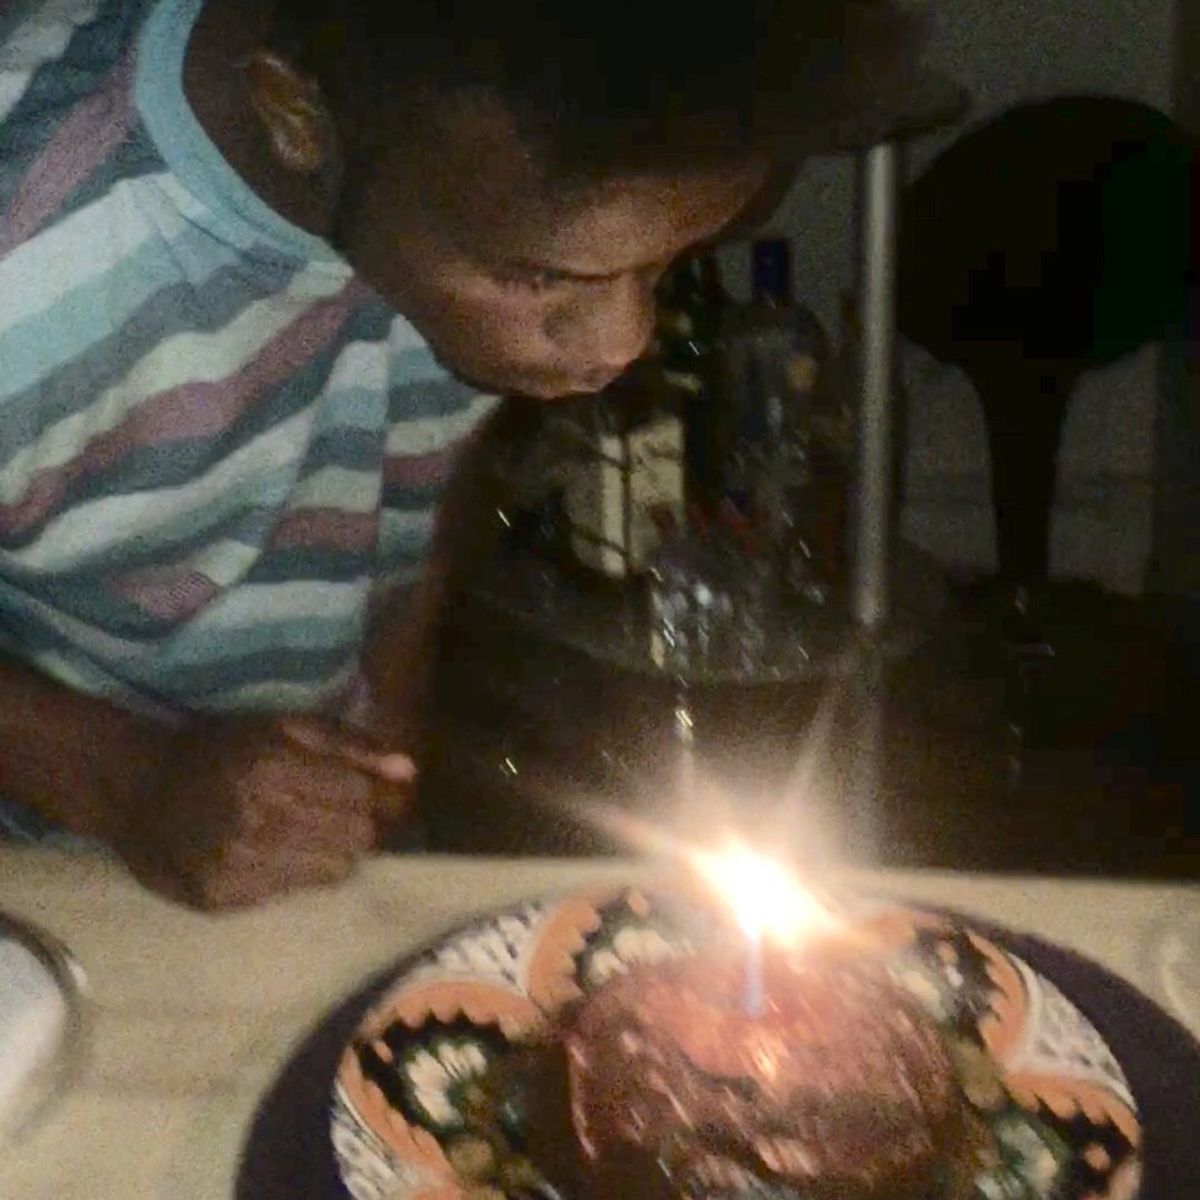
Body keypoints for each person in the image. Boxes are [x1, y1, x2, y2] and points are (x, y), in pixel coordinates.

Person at [0, 0, 940, 908]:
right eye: (540, 278)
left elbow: (418, 470)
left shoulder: (454, 164)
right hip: (54, 889)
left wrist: (392, 705)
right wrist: (125, 782)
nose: (618, 345)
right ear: (295, 116)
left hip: (287, 851)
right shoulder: (26, 249)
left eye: (664, 265)